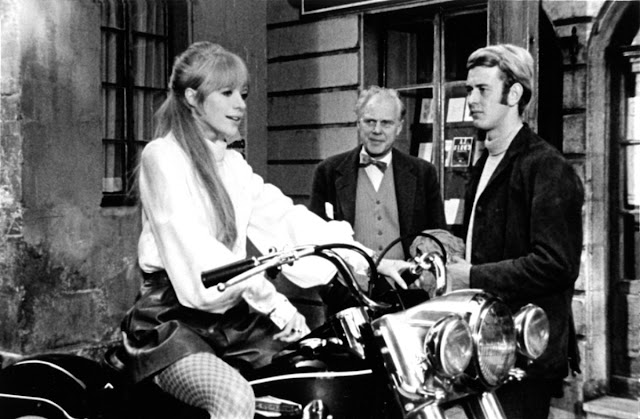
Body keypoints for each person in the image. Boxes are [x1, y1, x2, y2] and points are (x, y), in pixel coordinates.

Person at [120, 42, 410, 419]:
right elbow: (200, 258)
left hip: (232, 318)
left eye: (242, 94)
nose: (240, 105)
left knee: (312, 375)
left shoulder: (233, 165)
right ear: (192, 98)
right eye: (226, 93)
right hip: (172, 321)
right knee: (233, 398)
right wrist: (277, 305)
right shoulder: (162, 157)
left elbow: (286, 219)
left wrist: (368, 261)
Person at [446, 44, 584, 419]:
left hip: (524, 355)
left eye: (482, 89)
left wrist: (472, 275)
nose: (471, 100)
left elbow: (556, 264)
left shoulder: (546, 166)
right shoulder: (487, 160)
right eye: (469, 89)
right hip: (487, 349)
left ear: (515, 93)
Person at [308, 86, 446, 262]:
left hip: (407, 278)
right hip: (349, 278)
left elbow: (438, 237)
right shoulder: (328, 172)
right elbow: (316, 237)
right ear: (358, 124)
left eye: (386, 123)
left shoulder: (423, 173)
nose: (377, 130)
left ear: (399, 127)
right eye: (370, 121)